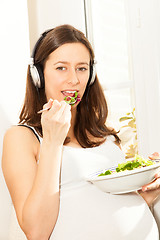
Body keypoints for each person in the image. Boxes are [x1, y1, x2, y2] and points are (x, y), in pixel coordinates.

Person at [1, 24, 160, 240]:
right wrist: (52, 141)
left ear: (91, 74)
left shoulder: (103, 134)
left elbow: (100, 205)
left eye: (82, 68)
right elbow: (36, 232)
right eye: (61, 68)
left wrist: (145, 197)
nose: (74, 80)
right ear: (38, 75)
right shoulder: (21, 137)